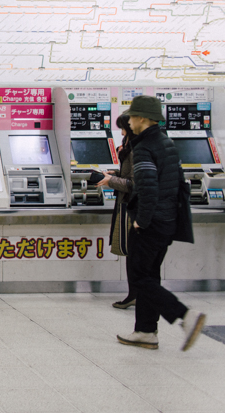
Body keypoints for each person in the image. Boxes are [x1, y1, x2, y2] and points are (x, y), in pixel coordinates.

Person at [115, 95, 206, 351]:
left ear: (143, 118)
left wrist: (140, 222)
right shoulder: (166, 142)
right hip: (167, 220)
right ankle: (146, 331)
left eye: (132, 116)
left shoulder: (144, 147)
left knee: (139, 276)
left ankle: (185, 316)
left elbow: (147, 188)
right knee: (150, 275)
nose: (129, 121)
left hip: (151, 222)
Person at [97, 113, 136, 309]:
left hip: (131, 207)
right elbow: (129, 176)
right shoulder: (129, 148)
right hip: (126, 204)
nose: (120, 132)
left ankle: (136, 295)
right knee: (131, 253)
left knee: (133, 252)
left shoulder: (137, 150)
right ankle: (134, 294)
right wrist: (115, 174)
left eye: (123, 128)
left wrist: (111, 181)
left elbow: (134, 183)